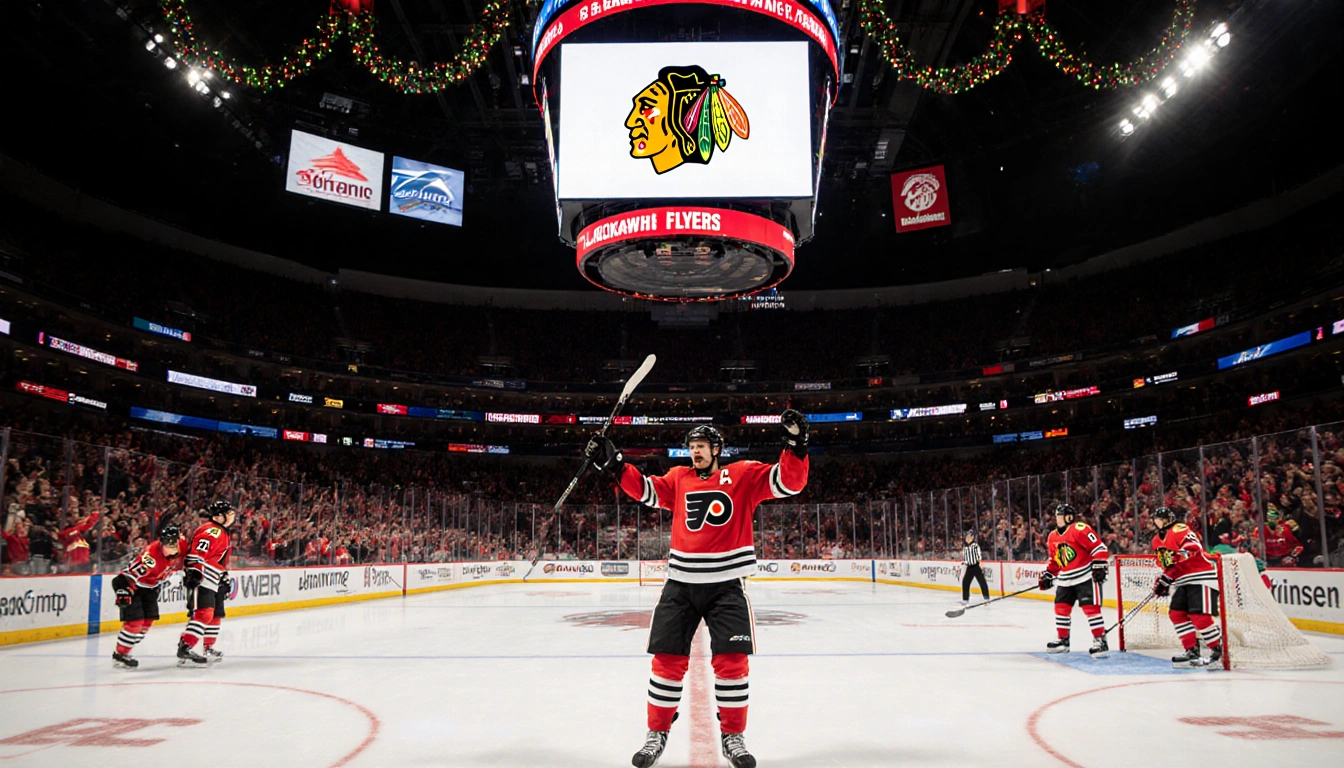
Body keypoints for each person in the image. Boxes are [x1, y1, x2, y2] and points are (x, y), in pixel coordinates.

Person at [586, 411, 809, 768]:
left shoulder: (743, 475)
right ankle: (656, 733)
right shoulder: (678, 478)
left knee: (732, 663)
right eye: (692, 447)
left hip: (726, 585)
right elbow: (645, 490)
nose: (696, 452)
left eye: (703, 446)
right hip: (681, 584)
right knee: (666, 661)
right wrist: (615, 465)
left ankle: (733, 737)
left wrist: (796, 446)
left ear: (717, 449)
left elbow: (790, 482)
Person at [1150, 506, 1223, 667]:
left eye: (1163, 519)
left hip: (1201, 576)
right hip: (1183, 580)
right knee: (1176, 614)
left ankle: (1218, 650)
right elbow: (1168, 565)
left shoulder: (1179, 528)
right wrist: (1164, 580)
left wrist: (1177, 556)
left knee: (1199, 615)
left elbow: (1194, 548)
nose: (1160, 522)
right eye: (1157, 520)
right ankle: (1191, 650)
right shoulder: (1156, 541)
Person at [1038, 503, 1110, 657]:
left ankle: (1100, 641)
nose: (1057, 518)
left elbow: (1099, 548)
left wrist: (1099, 565)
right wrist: (1049, 574)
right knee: (1061, 608)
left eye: (1060, 515)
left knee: (1090, 608)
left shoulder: (1079, 529)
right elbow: (1055, 561)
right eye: (1057, 515)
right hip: (1065, 579)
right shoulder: (1052, 536)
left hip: (1085, 576)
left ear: (1069, 517)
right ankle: (1063, 640)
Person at [111, 524, 186, 668]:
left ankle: (127, 643)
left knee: (148, 621)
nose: (171, 548)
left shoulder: (181, 545)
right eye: (167, 545)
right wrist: (124, 590)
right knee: (135, 622)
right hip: (133, 586)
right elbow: (127, 577)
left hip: (150, 588)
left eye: (174, 544)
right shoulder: (151, 559)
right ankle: (120, 654)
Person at [178, 500, 235, 667]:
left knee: (216, 614)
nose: (231, 516)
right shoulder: (213, 530)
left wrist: (223, 575)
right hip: (204, 576)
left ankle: (208, 648)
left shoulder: (222, 531)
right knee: (205, 614)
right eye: (228, 513)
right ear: (219, 516)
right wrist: (195, 570)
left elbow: (217, 559)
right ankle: (185, 646)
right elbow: (198, 551)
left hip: (214, 577)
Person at [56, 508, 100, 573]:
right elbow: (62, 535)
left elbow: (91, 523)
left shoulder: (81, 534)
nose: (74, 516)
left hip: (85, 563)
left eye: (76, 513)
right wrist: (83, 522)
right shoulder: (65, 533)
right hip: (73, 564)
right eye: (70, 515)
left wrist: (95, 512)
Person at [960, 530, 989, 605]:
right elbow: (965, 557)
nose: (967, 539)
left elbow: (979, 555)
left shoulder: (975, 546)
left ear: (972, 538)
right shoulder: (965, 547)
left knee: (982, 581)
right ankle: (965, 599)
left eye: (969, 537)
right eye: (966, 537)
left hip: (976, 566)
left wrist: (980, 562)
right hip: (969, 567)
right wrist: (964, 563)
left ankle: (986, 597)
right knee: (965, 582)